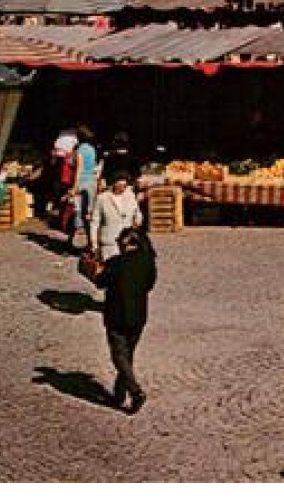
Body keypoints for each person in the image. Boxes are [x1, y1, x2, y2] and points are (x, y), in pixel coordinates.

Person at [97, 228, 156, 413]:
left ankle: (135, 392)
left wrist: (96, 269)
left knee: (119, 357)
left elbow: (100, 282)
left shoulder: (116, 263)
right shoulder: (148, 262)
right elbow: (149, 284)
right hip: (138, 316)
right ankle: (118, 394)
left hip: (116, 316)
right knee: (127, 356)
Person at [88, 171, 143, 263]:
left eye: (125, 186)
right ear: (113, 183)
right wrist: (94, 245)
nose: (122, 188)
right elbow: (95, 223)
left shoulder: (131, 196)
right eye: (120, 184)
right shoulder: (102, 198)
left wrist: (138, 220)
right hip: (109, 245)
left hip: (127, 244)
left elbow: (137, 213)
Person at [71, 127, 100, 250]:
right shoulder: (92, 150)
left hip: (82, 182)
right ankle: (91, 241)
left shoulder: (80, 150)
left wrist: (74, 186)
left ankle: (73, 239)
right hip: (92, 182)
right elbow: (94, 167)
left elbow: (79, 168)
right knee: (89, 213)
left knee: (78, 212)